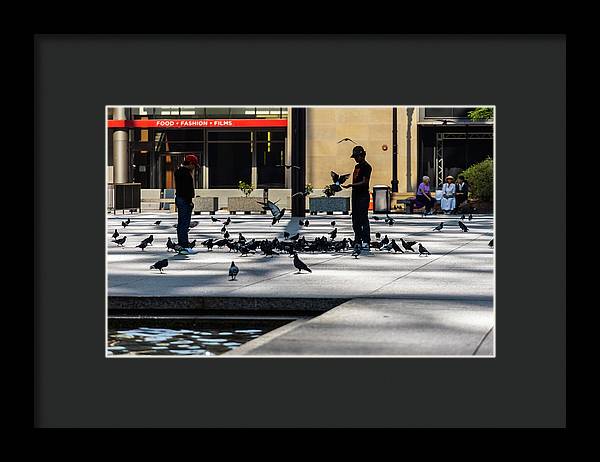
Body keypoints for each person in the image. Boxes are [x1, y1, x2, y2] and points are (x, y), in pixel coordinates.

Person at [342, 145, 372, 249]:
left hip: (363, 195)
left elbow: (365, 182)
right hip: (355, 195)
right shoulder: (357, 167)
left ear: (362, 156)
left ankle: (366, 240)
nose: (355, 159)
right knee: (355, 219)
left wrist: (351, 185)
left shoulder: (367, 167)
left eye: (356, 157)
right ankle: (357, 239)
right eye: (354, 157)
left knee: (363, 218)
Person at [174, 154, 199, 252]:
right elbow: (186, 190)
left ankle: (182, 243)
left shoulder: (178, 172)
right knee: (185, 223)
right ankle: (184, 244)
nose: (194, 168)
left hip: (180, 198)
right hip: (185, 200)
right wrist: (190, 202)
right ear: (191, 163)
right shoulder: (186, 174)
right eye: (194, 165)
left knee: (181, 223)